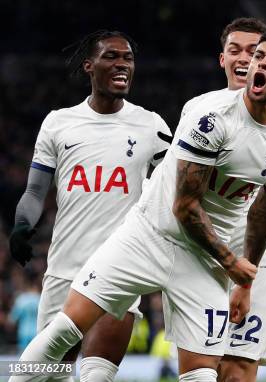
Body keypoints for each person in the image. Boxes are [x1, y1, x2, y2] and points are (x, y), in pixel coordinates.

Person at [10, 31, 266, 382]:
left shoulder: (154, 125)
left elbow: (261, 207)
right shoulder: (208, 117)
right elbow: (184, 205)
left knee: (189, 373)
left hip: (200, 255)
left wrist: (243, 279)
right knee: (58, 342)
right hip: (129, 242)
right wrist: (22, 222)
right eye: (258, 55)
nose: (258, 62)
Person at [7, 30, 172, 381]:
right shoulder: (58, 123)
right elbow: (35, 192)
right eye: (111, 56)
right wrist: (22, 224)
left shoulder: (151, 126)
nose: (122, 64)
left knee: (96, 377)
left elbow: (179, 188)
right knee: (44, 375)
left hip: (120, 270)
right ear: (89, 66)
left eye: (127, 57)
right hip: (64, 270)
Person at [178, 18, 266, 382]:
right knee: (200, 366)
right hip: (203, 250)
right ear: (222, 59)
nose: (248, 59)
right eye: (237, 51)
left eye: (256, 52)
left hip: (260, 254)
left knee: (237, 370)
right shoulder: (198, 110)